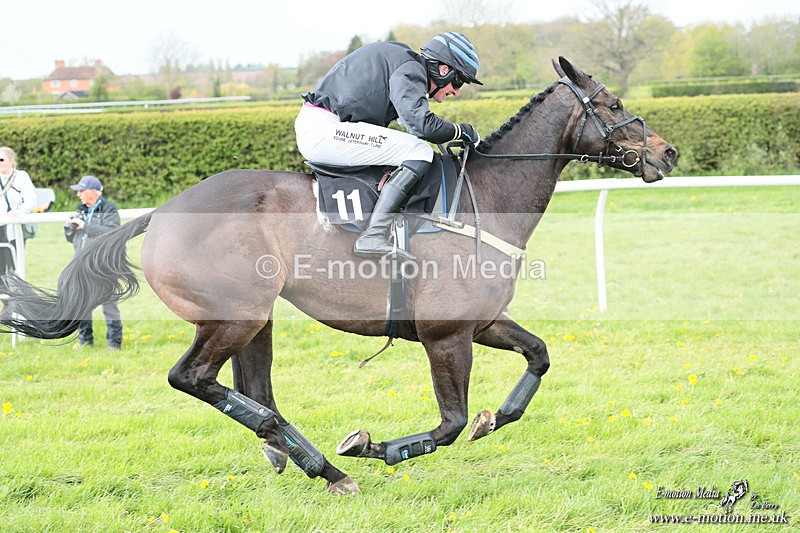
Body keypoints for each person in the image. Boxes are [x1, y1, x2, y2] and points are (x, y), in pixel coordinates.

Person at [295, 32, 482, 261]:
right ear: (444, 70)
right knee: (419, 151)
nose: (456, 91)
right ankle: (374, 235)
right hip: (323, 129)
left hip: (323, 125)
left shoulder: (403, 64)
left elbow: (412, 123)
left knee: (414, 148)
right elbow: (423, 125)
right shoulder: (410, 69)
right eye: (459, 81)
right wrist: (461, 131)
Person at [64, 175, 123, 350]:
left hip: (105, 266)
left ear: (93, 192)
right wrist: (69, 228)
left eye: (81, 191)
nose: (78, 195)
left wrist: (85, 226)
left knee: (109, 305)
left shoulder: (109, 209)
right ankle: (85, 341)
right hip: (82, 265)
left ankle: (114, 343)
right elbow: (72, 239)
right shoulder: (80, 209)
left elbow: (113, 233)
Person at [0, 146, 37, 277]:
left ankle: (16, 296)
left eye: (2, 159)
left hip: (14, 228)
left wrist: (19, 211)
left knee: (14, 267)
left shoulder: (21, 176)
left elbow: (31, 200)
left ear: (11, 161)